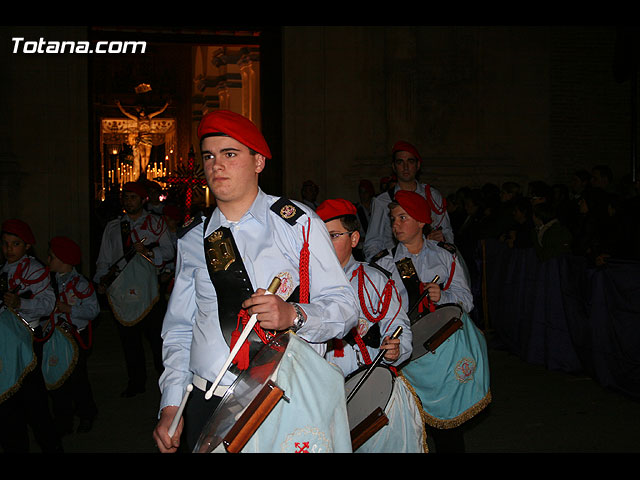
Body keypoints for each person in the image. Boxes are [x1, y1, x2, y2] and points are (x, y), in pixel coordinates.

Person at [153, 110, 359, 453]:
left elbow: (345, 307)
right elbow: (179, 329)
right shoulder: (193, 238)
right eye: (209, 156)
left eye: (230, 154)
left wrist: (293, 315)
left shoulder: (296, 224)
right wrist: (171, 404)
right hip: (209, 401)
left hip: (283, 399)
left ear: (258, 161)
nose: (217, 165)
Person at [371, 191, 491, 453]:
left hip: (442, 354)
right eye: (393, 218)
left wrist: (443, 296)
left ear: (422, 221)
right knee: (411, 427)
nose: (396, 224)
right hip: (408, 357)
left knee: (447, 429)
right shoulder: (385, 262)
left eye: (403, 217)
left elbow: (466, 301)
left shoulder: (445, 255)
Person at [317, 198, 425, 453]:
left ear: (354, 239)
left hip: (369, 384)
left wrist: (397, 349)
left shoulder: (375, 279)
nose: (324, 244)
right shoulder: (305, 286)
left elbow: (398, 325)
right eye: (320, 236)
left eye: (333, 236)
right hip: (321, 395)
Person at [94, 181, 174, 397]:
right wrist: (101, 279)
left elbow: (169, 250)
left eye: (133, 197)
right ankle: (135, 382)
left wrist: (147, 251)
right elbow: (105, 257)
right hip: (122, 289)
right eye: (126, 197)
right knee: (129, 341)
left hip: (148, 290)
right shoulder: (113, 227)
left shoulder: (156, 224)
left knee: (157, 340)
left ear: (143, 199)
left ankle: (166, 381)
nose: (129, 201)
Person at [0, 219, 62, 452]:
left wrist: (20, 303)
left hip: (27, 344)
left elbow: (48, 304)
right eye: (5, 243)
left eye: (15, 244)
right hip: (5, 346)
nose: (9, 249)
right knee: (7, 404)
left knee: (34, 405)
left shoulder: (36, 271)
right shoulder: (2, 270)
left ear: (26, 246)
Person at [363, 141, 453, 261]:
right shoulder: (382, 201)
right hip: (397, 265)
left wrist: (443, 238)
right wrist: (383, 268)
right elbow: (372, 243)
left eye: (410, 161)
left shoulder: (432, 195)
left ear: (418, 165)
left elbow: (447, 232)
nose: (405, 167)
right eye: (400, 162)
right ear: (394, 167)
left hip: (432, 261)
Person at [46, 236, 99, 434]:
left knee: (77, 379)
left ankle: (86, 413)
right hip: (54, 337)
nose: (48, 260)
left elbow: (92, 310)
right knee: (57, 377)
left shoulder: (80, 283)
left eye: (51, 257)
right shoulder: (48, 281)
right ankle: (63, 419)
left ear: (63, 260)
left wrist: (68, 309)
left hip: (76, 337)